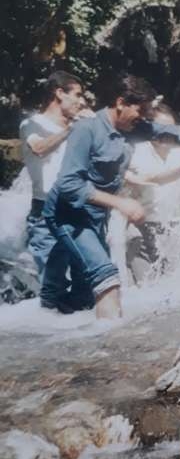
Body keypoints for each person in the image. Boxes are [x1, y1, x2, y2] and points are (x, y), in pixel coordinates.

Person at [41, 74, 180, 319]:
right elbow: (68, 185)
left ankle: (49, 326)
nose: (145, 117)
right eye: (141, 110)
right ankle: (110, 348)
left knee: (84, 295)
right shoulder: (87, 129)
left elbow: (179, 132)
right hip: (67, 216)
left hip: (94, 218)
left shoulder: (133, 127)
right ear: (121, 103)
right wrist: (120, 203)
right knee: (107, 277)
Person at [19, 71, 95, 309]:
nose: (81, 101)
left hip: (79, 206)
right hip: (45, 213)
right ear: (59, 93)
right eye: (77, 95)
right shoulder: (31, 124)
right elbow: (39, 148)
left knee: (86, 279)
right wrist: (71, 130)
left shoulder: (81, 126)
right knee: (53, 285)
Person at [107, 102, 180, 285]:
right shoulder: (135, 152)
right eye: (161, 128)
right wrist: (128, 176)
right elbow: (114, 174)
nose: (167, 134)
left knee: (177, 285)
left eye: (171, 128)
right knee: (146, 287)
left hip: (172, 228)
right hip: (140, 228)